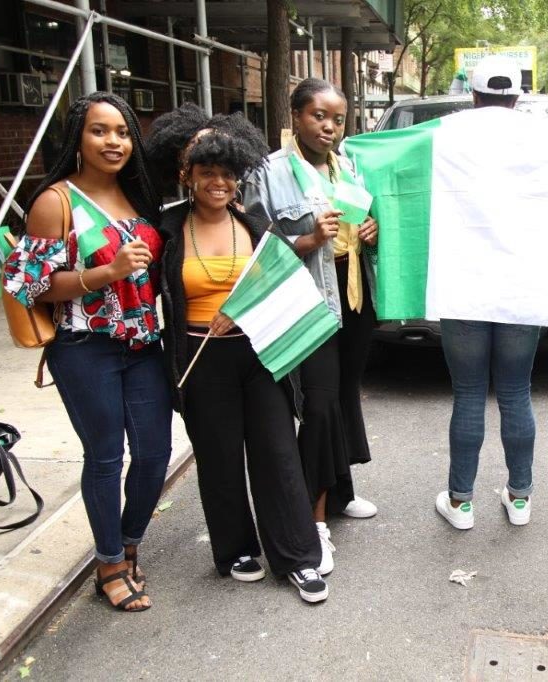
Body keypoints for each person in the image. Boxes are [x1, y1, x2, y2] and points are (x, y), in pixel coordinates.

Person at [146, 104, 327, 602]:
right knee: (219, 457)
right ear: (189, 176)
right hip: (200, 357)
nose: (219, 183)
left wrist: (247, 310)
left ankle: (299, 558)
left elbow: (281, 282)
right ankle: (235, 550)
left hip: (257, 354)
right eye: (208, 172)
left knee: (277, 451)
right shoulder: (164, 229)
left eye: (227, 174)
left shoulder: (253, 227)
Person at [2, 92, 171, 612]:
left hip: (143, 346)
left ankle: (130, 541)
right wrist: (108, 272)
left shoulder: (140, 197)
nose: (113, 141)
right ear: (78, 137)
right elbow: (28, 285)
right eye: (100, 131)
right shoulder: (57, 201)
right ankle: (109, 563)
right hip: (85, 349)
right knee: (104, 457)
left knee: (153, 454)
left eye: (122, 131)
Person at [245, 78, 378, 576]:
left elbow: (366, 218)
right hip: (309, 300)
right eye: (318, 116)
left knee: (343, 396)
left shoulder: (350, 164)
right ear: (296, 116)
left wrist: (372, 229)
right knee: (318, 405)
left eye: (337, 118)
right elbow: (252, 244)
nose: (328, 127)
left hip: (354, 292)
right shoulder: (269, 172)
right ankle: (310, 520)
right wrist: (304, 241)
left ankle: (339, 494)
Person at [430, 55, 546, 530]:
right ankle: (519, 497)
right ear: (517, 96)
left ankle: (460, 504)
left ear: (473, 95)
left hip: (463, 285)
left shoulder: (443, 133)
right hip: (522, 285)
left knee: (469, 393)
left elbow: (389, 158)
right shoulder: (546, 138)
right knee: (517, 392)